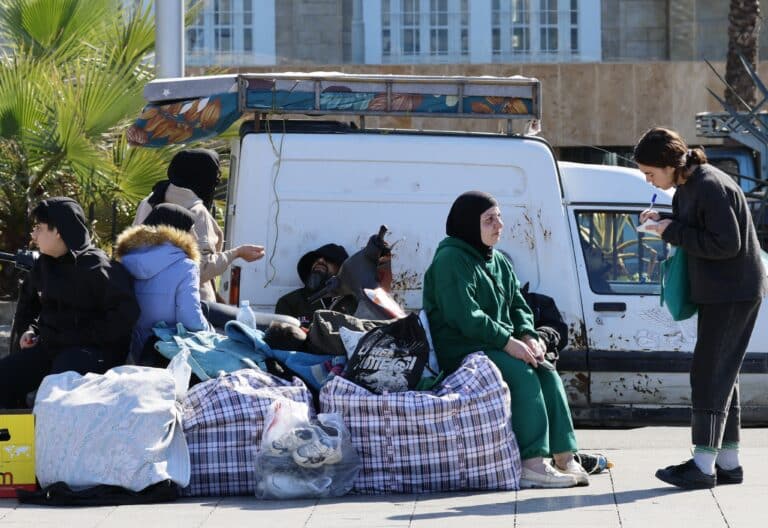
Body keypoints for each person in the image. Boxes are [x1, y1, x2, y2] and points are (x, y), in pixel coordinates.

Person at [422, 191, 588, 488]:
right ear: (469, 225)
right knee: (522, 374)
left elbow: (518, 305)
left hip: (496, 343)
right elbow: (464, 315)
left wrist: (528, 335)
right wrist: (508, 342)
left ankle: (564, 456)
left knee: (546, 372)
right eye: (489, 220)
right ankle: (532, 463)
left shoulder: (498, 260)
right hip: (463, 348)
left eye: (499, 217)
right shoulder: (450, 260)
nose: (499, 225)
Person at [635, 127, 767, 489]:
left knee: (708, 372)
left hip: (732, 291)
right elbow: (700, 230)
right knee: (722, 374)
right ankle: (727, 463)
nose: (649, 180)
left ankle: (703, 465)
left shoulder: (708, 184)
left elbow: (726, 244)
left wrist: (669, 231)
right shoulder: (692, 184)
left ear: (669, 164)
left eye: (650, 173)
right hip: (726, 290)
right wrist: (665, 223)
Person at [0, 197, 139, 408]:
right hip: (51, 348)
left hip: (91, 351)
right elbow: (28, 307)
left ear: (58, 231)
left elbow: (125, 315)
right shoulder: (43, 266)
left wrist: (80, 337)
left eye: (39, 228)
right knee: (5, 375)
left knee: (58, 386)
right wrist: (29, 331)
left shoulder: (99, 268)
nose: (34, 235)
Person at [133, 148, 265, 303]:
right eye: (214, 178)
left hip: (147, 300)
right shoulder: (196, 211)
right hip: (189, 304)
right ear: (204, 178)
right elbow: (202, 269)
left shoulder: (148, 202)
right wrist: (237, 253)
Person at [116, 204, 211, 366]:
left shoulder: (124, 261)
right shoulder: (185, 266)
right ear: (179, 232)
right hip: (167, 353)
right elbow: (190, 319)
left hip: (129, 353)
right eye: (192, 229)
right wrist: (211, 332)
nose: (195, 235)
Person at [275, 243, 358, 325]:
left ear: (341, 269)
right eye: (315, 259)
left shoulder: (354, 303)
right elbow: (280, 335)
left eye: (329, 259)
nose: (320, 260)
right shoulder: (289, 302)